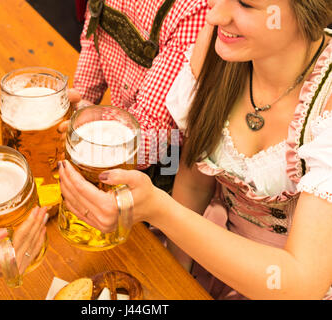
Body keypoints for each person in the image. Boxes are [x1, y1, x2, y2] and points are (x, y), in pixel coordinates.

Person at [58, 0, 332, 300]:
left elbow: (302, 283)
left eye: (246, 4)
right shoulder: (220, 44)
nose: (214, 15)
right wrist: (174, 279)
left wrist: (160, 210)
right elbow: (195, 178)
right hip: (213, 255)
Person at [73, 0, 209, 192]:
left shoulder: (195, 8)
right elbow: (93, 43)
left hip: (165, 171)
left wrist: (84, 133)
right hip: (112, 140)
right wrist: (78, 104)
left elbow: (156, 133)